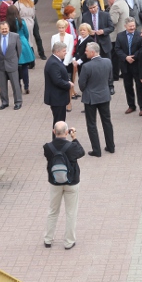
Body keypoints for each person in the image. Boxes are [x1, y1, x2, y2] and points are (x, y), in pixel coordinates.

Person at [43, 121, 84, 250]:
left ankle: (48, 239)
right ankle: (68, 241)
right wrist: (75, 138)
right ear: (67, 132)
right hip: (71, 182)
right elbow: (81, 152)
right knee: (71, 212)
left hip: (55, 182)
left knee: (53, 211)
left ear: (54, 132)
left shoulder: (47, 147)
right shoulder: (72, 146)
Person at [78, 42, 115, 157]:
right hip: (104, 96)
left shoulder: (86, 66)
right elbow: (110, 78)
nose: (85, 52)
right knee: (107, 121)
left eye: (87, 51)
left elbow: (81, 85)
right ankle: (111, 146)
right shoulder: (108, 62)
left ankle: (96, 150)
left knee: (91, 124)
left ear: (93, 52)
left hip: (91, 98)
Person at [114, 17, 142, 115]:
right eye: (130, 26)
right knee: (128, 86)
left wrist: (134, 57)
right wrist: (126, 57)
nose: (132, 28)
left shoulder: (140, 35)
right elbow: (117, 49)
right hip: (125, 65)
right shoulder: (120, 36)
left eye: (133, 26)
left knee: (139, 87)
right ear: (125, 26)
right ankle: (131, 106)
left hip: (136, 64)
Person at [0, 21, 22, 110]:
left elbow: (19, 50)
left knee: (15, 84)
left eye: (6, 29)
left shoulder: (15, 36)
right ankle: (4, 102)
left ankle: (18, 102)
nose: (4, 30)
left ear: (8, 28)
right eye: (2, 29)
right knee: (2, 85)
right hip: (1, 64)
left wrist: (15, 60)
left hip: (12, 64)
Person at [7, 6, 35, 97]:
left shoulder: (7, 23)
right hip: (22, 42)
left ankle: (18, 86)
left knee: (15, 68)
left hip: (12, 43)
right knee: (24, 67)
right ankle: (26, 86)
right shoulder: (21, 21)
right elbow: (26, 33)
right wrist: (25, 41)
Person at [44, 42, 73, 126]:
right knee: (59, 123)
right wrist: (68, 84)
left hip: (58, 98)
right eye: (64, 51)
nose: (66, 52)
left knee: (59, 121)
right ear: (57, 52)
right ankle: (58, 139)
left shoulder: (56, 60)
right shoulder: (53, 63)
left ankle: (58, 138)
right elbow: (57, 80)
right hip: (57, 98)